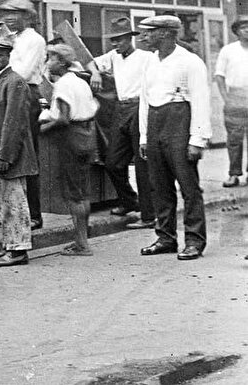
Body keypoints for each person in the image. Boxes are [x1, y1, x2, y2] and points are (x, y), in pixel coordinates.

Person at [137, 15, 211, 261]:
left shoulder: (190, 62)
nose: (143, 37)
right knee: (159, 185)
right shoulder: (150, 62)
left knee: (188, 187)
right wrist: (144, 136)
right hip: (156, 123)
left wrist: (197, 139)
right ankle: (166, 237)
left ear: (165, 33)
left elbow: (200, 99)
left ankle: (194, 240)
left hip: (180, 123)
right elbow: (145, 101)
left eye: (148, 32)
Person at [86, 17, 155, 228]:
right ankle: (129, 201)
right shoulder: (114, 57)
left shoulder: (147, 57)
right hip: (121, 108)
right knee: (113, 162)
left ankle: (149, 216)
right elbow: (90, 62)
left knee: (143, 165)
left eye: (119, 40)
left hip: (140, 107)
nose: (115, 44)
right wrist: (96, 72)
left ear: (130, 38)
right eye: (113, 40)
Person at [0, 24, 36, 267]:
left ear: (8, 57)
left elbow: (15, 122)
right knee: (3, 201)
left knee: (14, 201)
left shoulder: (14, 81)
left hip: (8, 151)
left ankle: (18, 249)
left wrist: (5, 155)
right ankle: (10, 245)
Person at [39, 44, 99, 257]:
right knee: (82, 192)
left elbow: (63, 118)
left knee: (73, 194)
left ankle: (82, 244)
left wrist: (43, 128)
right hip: (87, 136)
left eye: (51, 59)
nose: (48, 63)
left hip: (71, 138)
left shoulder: (63, 85)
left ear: (62, 62)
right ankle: (81, 239)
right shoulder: (80, 81)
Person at [0, 0, 45, 230]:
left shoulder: (34, 40)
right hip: (9, 92)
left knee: (26, 152)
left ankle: (34, 213)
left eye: (13, 14)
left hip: (26, 95)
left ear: (27, 16)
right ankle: (17, 209)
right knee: (8, 150)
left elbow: (23, 73)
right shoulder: (13, 39)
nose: (7, 19)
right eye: (4, 14)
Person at [214, 15, 248, 188]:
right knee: (234, 139)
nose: (247, 30)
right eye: (243, 27)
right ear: (236, 31)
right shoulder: (228, 50)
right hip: (235, 98)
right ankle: (234, 174)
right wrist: (226, 98)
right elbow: (219, 76)